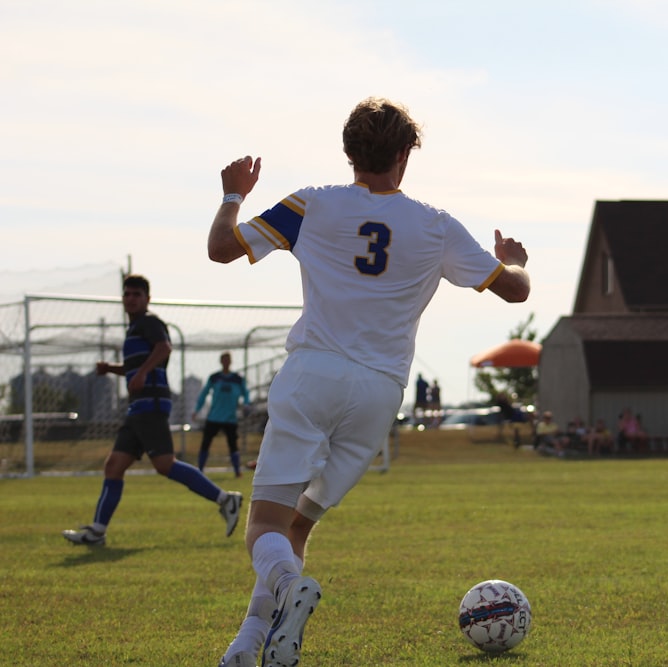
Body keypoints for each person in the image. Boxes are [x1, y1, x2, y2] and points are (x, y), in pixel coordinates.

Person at [207, 97, 530, 667]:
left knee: (264, 527)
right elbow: (515, 290)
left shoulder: (311, 204)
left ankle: (283, 592)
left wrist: (234, 194)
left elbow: (220, 249)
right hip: (380, 393)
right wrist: (511, 259)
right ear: (405, 155)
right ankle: (249, 644)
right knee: (298, 528)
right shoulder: (436, 224)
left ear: (348, 151)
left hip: (313, 376)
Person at [62, 275, 243, 547]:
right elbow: (139, 364)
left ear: (147, 299)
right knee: (114, 465)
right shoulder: (134, 330)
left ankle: (225, 499)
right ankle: (97, 532)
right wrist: (111, 369)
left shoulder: (150, 323)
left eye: (137, 294)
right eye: (127, 294)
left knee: (164, 464)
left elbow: (163, 348)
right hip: (138, 408)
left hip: (151, 405)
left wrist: (143, 373)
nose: (131, 298)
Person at [193, 352, 252, 477]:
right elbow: (204, 394)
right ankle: (200, 469)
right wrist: (196, 409)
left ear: (230, 361)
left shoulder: (237, 379)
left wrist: (247, 404)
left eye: (228, 359)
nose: (226, 362)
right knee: (205, 443)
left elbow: (246, 393)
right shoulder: (214, 377)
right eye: (224, 359)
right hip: (214, 417)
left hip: (230, 419)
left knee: (233, 446)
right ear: (221, 361)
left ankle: (237, 471)